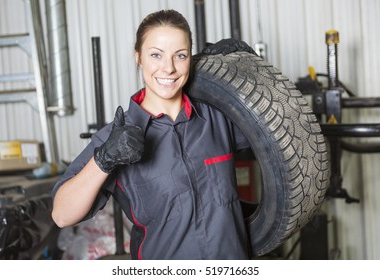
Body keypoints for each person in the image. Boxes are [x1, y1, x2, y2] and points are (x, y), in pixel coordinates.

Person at [52, 9, 255, 260]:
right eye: (156, 55)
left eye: (179, 56)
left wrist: (251, 74)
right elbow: (61, 215)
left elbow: (282, 142)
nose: (168, 68)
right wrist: (104, 159)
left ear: (190, 59)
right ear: (138, 57)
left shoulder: (219, 118)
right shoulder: (117, 137)